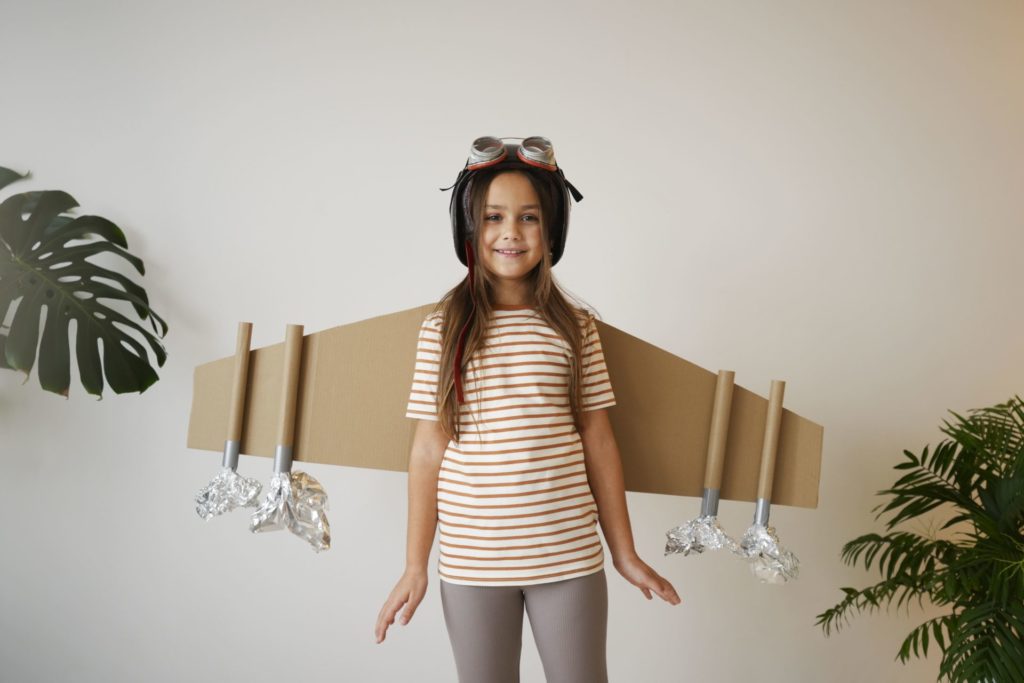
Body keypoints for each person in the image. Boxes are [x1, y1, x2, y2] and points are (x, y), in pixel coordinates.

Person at [374, 136, 680, 682]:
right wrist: (415, 566)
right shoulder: (442, 330)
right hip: (471, 564)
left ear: (552, 230)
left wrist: (625, 553)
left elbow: (599, 441)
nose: (510, 232)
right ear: (470, 229)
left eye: (529, 217)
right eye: (493, 216)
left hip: (568, 559)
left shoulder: (575, 327)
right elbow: (426, 451)